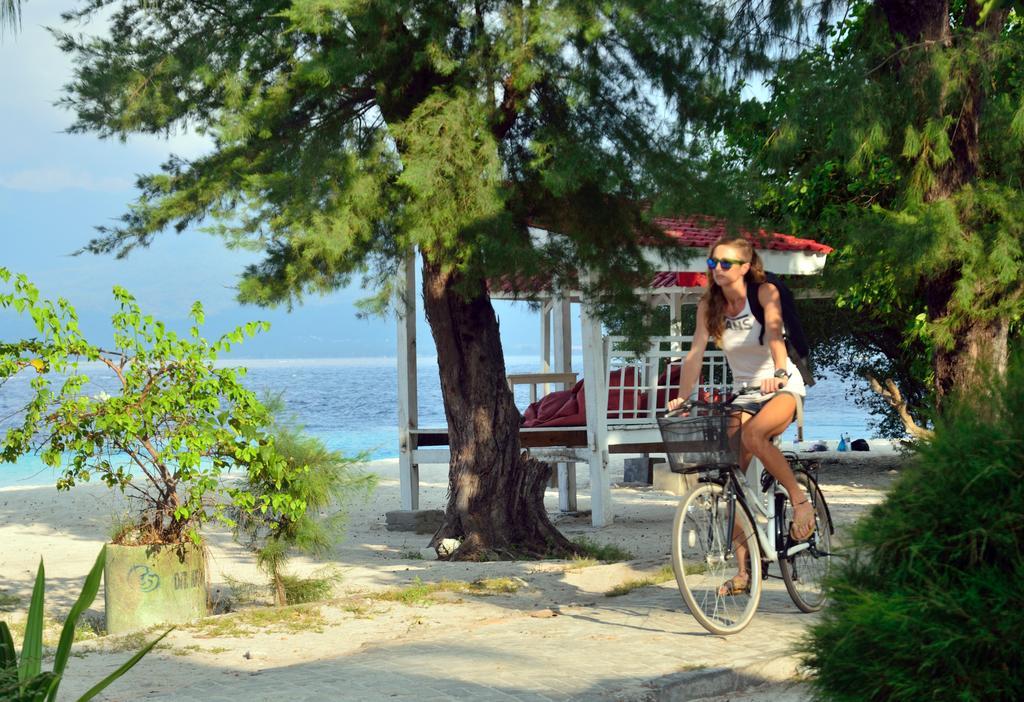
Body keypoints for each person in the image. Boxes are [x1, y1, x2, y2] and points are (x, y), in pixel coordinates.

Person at [667, 234, 814, 596]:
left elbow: (776, 333)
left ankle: (799, 500)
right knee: (726, 474)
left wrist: (779, 373)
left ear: (745, 267)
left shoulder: (763, 294)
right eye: (713, 263)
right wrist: (682, 398)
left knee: (753, 436)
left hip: (781, 387)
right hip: (745, 393)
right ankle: (746, 572)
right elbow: (694, 355)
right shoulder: (708, 307)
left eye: (726, 263)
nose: (718, 269)